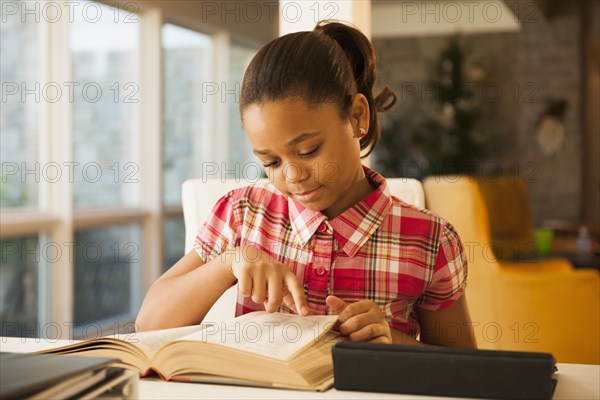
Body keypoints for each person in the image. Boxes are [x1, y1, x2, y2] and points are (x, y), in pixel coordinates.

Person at [136, 20, 476, 348]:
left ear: (358, 116)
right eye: (270, 162)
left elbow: (465, 372)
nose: (293, 176)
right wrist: (229, 262)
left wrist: (393, 340)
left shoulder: (430, 240)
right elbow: (148, 324)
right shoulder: (242, 214)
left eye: (308, 150)